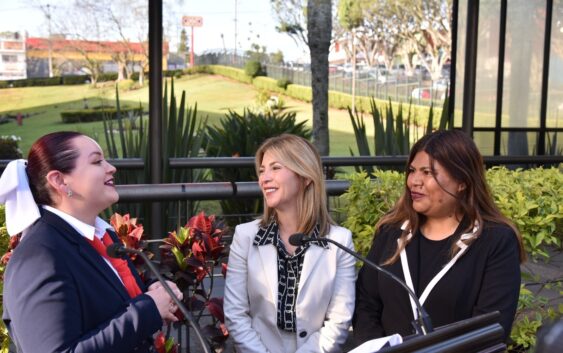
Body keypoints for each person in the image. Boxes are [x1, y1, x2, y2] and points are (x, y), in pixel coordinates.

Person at [0, 131, 182, 353]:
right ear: (59, 180)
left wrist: (152, 291)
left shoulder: (100, 236)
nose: (111, 168)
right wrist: (149, 308)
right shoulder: (39, 257)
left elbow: (103, 305)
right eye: (97, 161)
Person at [353, 130, 525, 344]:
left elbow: (488, 330)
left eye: (427, 172)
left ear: (462, 181)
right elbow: (365, 303)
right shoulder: (391, 231)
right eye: (412, 170)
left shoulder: (495, 241)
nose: (414, 181)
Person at [224, 134, 356, 353]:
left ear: (305, 177)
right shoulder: (245, 236)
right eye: (262, 170)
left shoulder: (339, 241)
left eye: (275, 168)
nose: (264, 178)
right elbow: (235, 314)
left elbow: (339, 321)